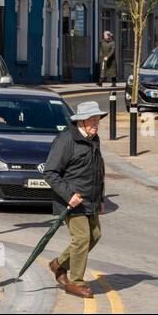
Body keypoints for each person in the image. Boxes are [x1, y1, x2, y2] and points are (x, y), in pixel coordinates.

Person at [42, 99, 107, 298]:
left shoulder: (93, 139)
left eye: (97, 119)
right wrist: (69, 196)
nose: (96, 123)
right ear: (80, 121)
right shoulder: (66, 140)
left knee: (94, 236)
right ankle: (76, 282)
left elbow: (98, 170)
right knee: (81, 238)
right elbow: (50, 172)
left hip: (91, 200)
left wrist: (101, 198)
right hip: (72, 201)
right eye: (92, 120)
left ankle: (58, 264)